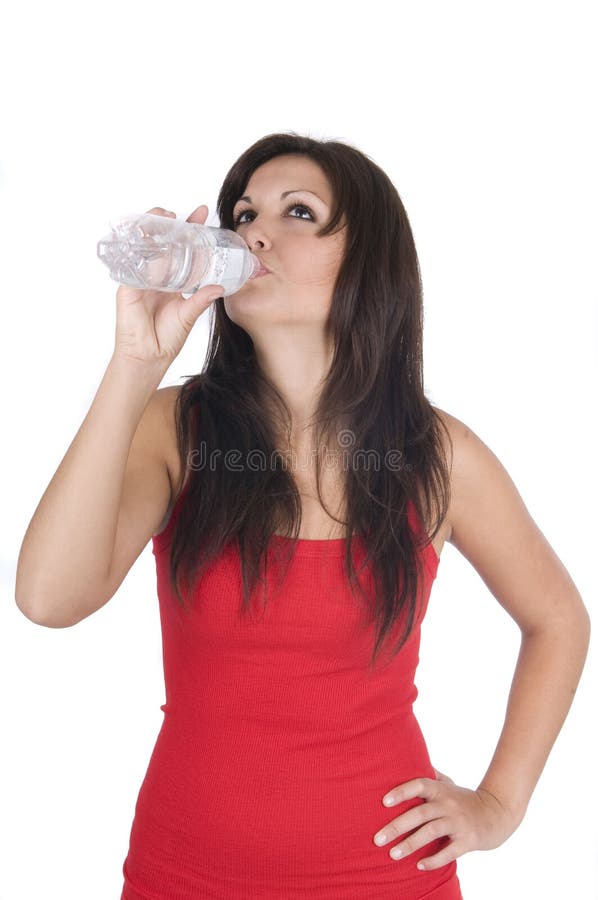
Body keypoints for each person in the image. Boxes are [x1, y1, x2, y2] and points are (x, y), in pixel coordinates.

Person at [15, 132, 590, 900]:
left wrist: (498, 806)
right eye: (244, 211)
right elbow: (48, 600)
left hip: (386, 880)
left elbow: (559, 618)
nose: (254, 230)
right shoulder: (174, 430)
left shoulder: (438, 456)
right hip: (184, 876)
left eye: (299, 212)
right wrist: (132, 364)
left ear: (368, 259)